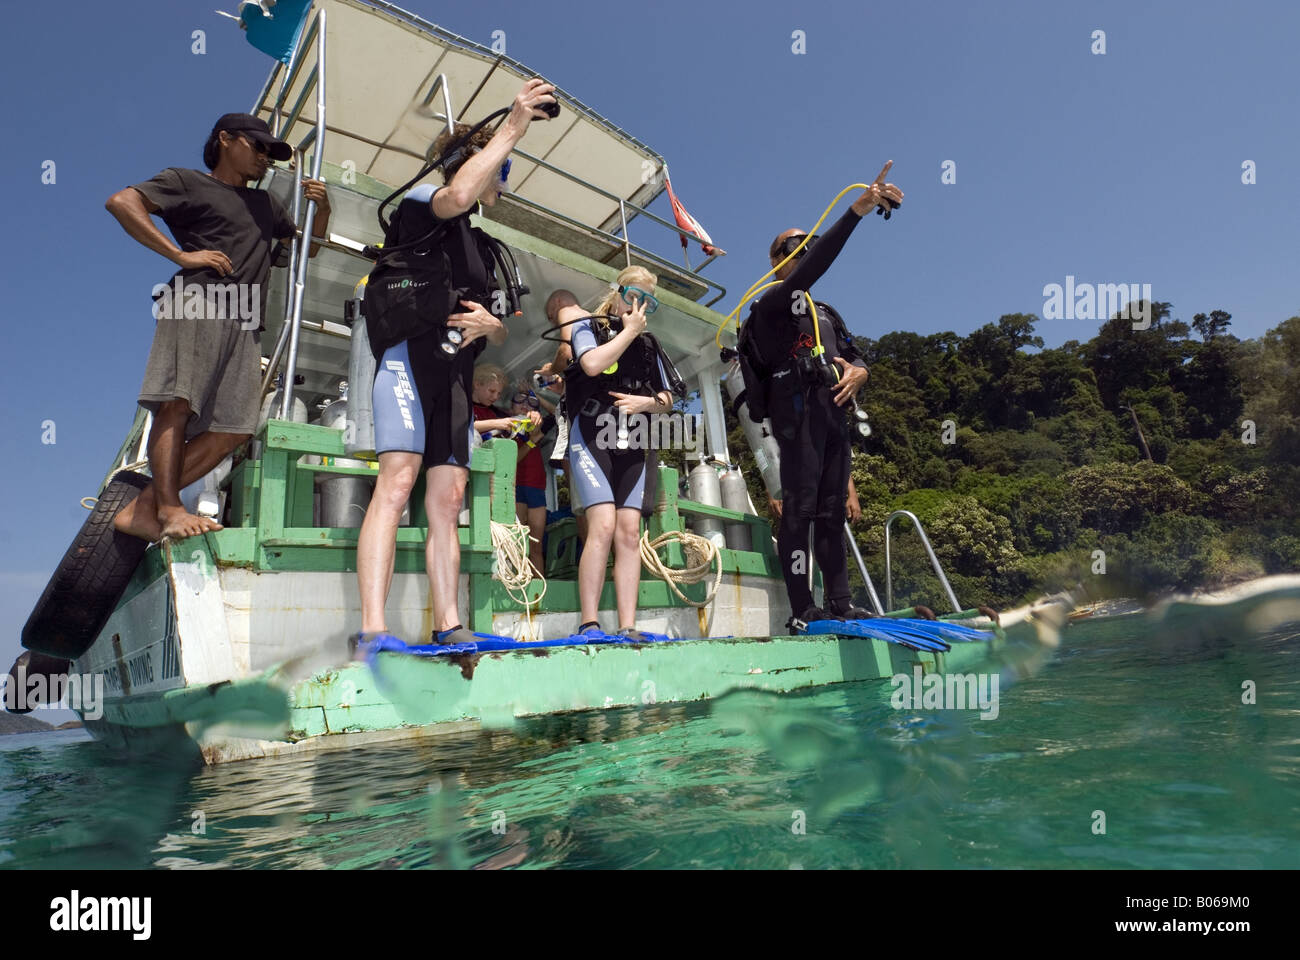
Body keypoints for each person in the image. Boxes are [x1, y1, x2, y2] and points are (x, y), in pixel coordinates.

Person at [356, 78, 555, 646]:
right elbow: (455, 197)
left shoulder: (477, 245)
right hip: (408, 360)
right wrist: (512, 126)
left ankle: (448, 625)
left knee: (447, 498)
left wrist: (491, 327)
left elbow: (490, 322)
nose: (505, 180)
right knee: (397, 484)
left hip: (456, 376)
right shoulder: (423, 201)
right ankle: (372, 628)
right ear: (472, 160)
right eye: (502, 167)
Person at [108, 113, 331, 541]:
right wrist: (180, 255)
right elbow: (122, 202)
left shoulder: (267, 206)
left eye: (271, 152)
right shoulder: (188, 181)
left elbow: (310, 251)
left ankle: (146, 508)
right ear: (226, 139)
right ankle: (171, 509)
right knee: (177, 403)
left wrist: (323, 208)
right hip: (198, 302)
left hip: (246, 317)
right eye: (258, 146)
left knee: (235, 428)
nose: (266, 157)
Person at [741, 163, 902, 629]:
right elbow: (814, 267)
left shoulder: (826, 312)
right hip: (796, 414)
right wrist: (857, 210)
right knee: (801, 511)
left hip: (834, 413)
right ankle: (801, 608)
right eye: (794, 247)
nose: (803, 251)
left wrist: (860, 373)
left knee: (833, 513)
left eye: (806, 245)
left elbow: (856, 355)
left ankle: (840, 602)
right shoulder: (769, 305)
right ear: (775, 260)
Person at [563, 266, 677, 638]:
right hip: (593, 433)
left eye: (648, 301)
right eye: (633, 295)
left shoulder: (649, 344)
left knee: (629, 532)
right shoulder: (587, 326)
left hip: (633, 437)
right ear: (617, 293)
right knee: (604, 525)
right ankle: (589, 622)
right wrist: (628, 331)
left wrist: (649, 403)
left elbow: (668, 398)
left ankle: (628, 625)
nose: (639, 305)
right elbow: (591, 364)